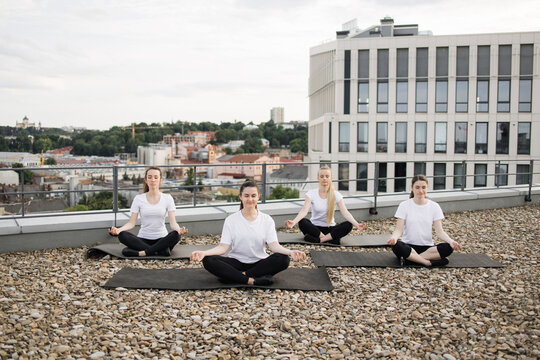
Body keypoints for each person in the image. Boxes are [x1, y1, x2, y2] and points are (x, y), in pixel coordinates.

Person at [190, 180, 306, 285]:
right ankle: (252, 280)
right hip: (237, 262)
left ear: (258, 197)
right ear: (240, 197)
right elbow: (222, 248)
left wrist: (290, 252)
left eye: (253, 196)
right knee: (209, 260)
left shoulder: (267, 219)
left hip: (259, 263)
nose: (250, 199)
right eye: (246, 196)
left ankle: (236, 277)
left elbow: (274, 246)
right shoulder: (231, 220)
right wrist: (204, 253)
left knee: (283, 259)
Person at [108, 166, 188, 257]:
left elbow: (173, 223)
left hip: (162, 239)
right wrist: (118, 230)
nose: (153, 180)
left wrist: (179, 230)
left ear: (160, 180)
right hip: (143, 239)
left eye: (156, 177)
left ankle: (144, 252)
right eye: (149, 177)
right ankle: (159, 251)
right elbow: (131, 223)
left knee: (176, 235)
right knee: (122, 235)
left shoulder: (168, 198)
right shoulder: (139, 199)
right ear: (146, 180)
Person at [387, 174, 462, 267]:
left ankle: (412, 260)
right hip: (408, 247)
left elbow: (440, 232)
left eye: (423, 187)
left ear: (427, 188)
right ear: (412, 188)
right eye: (417, 187)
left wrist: (451, 241)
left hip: (428, 249)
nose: (421, 191)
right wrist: (394, 238)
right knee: (397, 245)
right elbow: (398, 230)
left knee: (448, 248)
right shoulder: (404, 205)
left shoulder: (434, 206)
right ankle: (426, 262)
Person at [285, 165, 367, 244]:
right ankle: (329, 239)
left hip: (330, 229)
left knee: (348, 225)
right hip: (315, 229)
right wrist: (294, 222)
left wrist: (357, 224)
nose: (324, 178)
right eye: (322, 176)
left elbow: (345, 212)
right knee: (303, 222)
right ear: (318, 178)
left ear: (331, 178)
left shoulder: (336, 194)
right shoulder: (311, 193)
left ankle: (319, 240)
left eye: (327, 176)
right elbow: (304, 211)